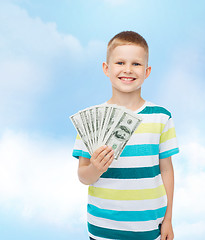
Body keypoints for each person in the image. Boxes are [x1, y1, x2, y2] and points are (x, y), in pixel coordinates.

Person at [72, 31, 180, 240]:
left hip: (149, 227)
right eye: (120, 62)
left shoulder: (161, 117)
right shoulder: (91, 121)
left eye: (136, 64)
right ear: (106, 68)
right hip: (102, 227)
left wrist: (168, 219)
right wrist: (95, 168)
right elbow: (83, 177)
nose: (128, 70)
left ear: (147, 71)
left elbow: (167, 170)